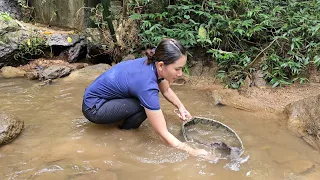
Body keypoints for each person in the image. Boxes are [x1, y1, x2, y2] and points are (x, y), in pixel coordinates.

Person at [82, 38, 216, 159]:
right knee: (143, 105)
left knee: (146, 104)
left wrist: (181, 107)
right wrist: (191, 151)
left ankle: (121, 121)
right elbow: (162, 133)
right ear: (161, 65)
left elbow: (166, 89)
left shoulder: (154, 60)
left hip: (98, 98)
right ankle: (125, 132)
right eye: (177, 69)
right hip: (94, 107)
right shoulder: (147, 85)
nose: (181, 74)